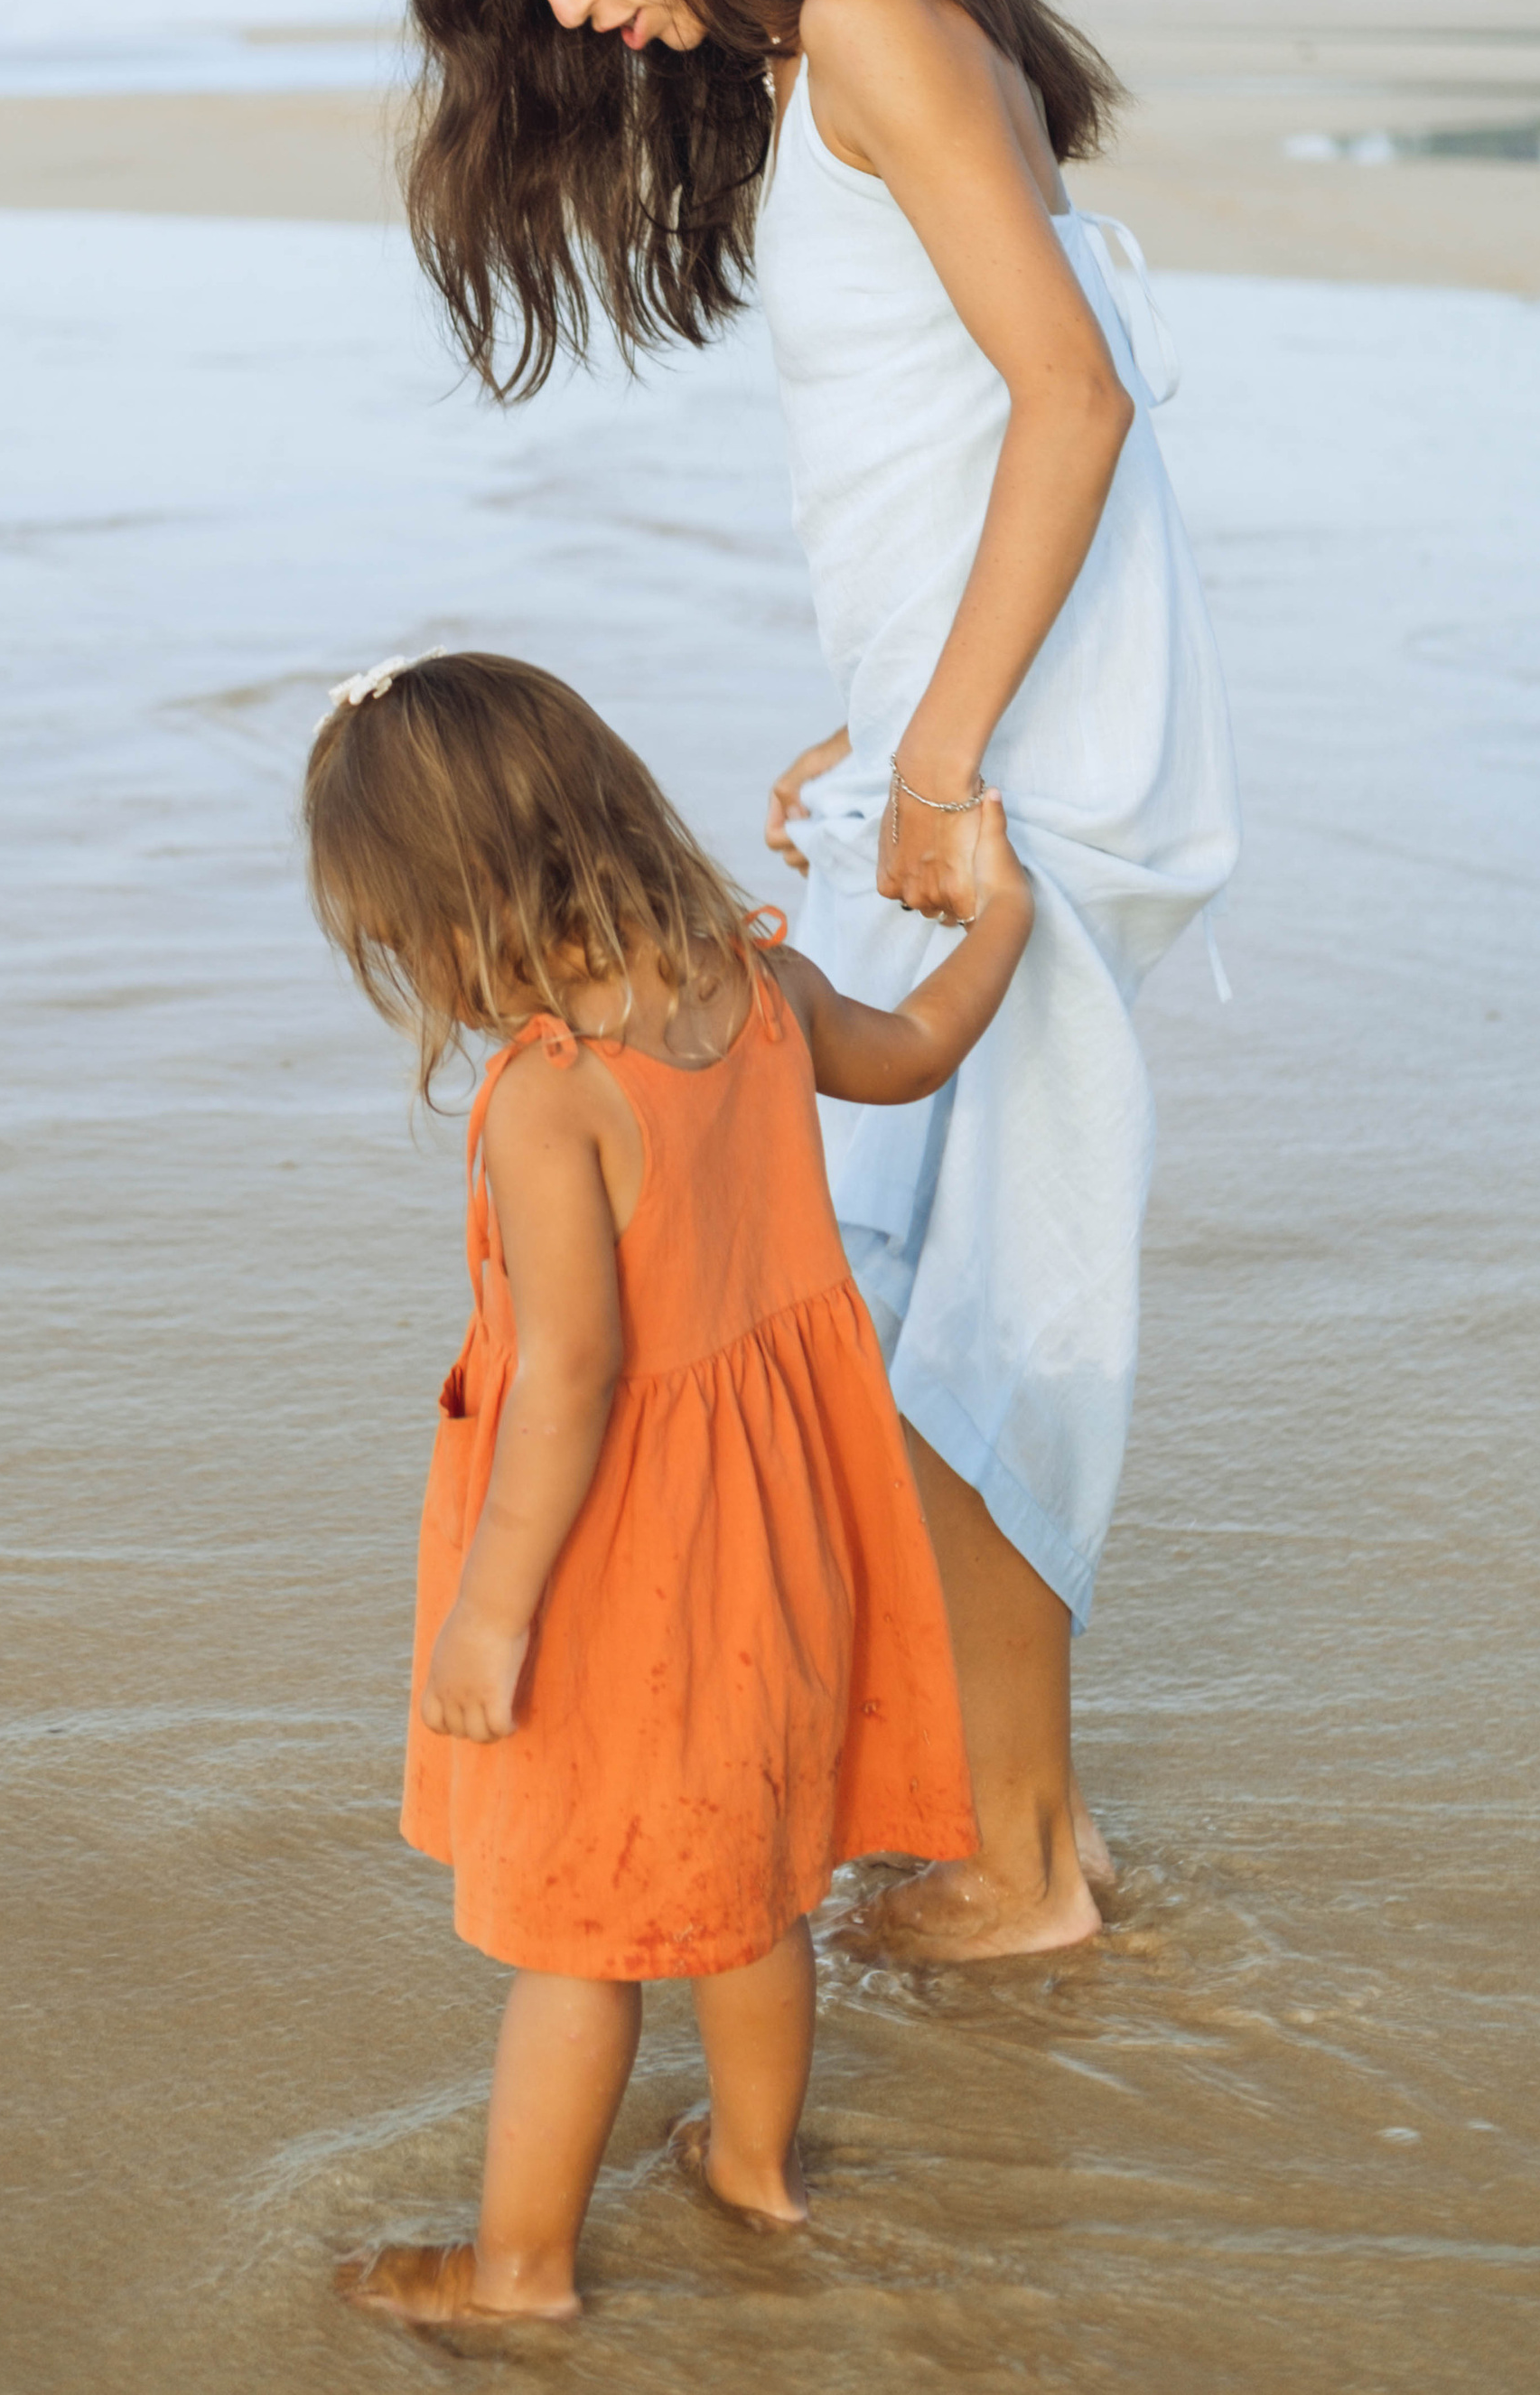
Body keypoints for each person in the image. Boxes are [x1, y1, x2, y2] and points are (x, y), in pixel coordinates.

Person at [405, 0, 1242, 1960]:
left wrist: (949, 748)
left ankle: (1027, 1866)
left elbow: (1066, 404)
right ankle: (1001, 1828)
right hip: (966, 748)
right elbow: (945, 452)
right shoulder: (824, 55)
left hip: (1024, 780)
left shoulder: (872, 15)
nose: (563, 5)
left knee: (952, 1342)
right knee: (889, 1318)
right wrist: (881, 719)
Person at [304, 650, 1034, 2328]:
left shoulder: (553, 1098)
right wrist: (999, 912)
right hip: (785, 1529)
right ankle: (759, 2176)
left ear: (453, 902)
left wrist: (491, 1618)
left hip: (624, 1564)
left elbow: (569, 1380)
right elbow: (918, 1047)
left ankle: (516, 2271)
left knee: (582, 1931)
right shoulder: (754, 986)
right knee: (754, 1876)